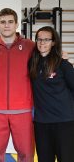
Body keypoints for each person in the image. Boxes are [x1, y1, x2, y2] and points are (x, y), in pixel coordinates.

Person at [0, 8, 35, 162]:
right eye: (3, 22)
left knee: (26, 153)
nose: (7, 25)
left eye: (10, 22)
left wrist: (61, 55)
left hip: (23, 109)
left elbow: (44, 61)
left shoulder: (30, 47)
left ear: (16, 24)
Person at [29, 26, 74, 162]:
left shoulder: (62, 64)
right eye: (39, 39)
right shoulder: (32, 63)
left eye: (47, 40)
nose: (42, 43)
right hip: (41, 123)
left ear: (53, 42)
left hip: (64, 122)